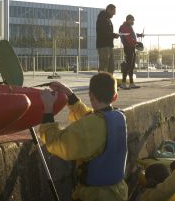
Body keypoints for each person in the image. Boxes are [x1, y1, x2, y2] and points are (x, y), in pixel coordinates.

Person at [39, 73, 128, 201]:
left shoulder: (93, 125)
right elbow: (91, 119)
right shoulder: (118, 117)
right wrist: (70, 95)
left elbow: (56, 143)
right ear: (115, 96)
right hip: (118, 192)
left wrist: (48, 109)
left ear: (90, 95)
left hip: (95, 195)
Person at [119, 14, 143, 90]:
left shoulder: (128, 27)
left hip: (132, 47)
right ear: (128, 20)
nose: (133, 22)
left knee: (131, 66)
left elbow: (132, 35)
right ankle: (123, 83)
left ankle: (131, 83)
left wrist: (138, 35)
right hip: (128, 47)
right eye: (132, 20)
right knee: (128, 65)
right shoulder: (124, 27)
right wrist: (136, 43)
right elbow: (128, 38)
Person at [96, 4, 119, 74]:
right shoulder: (102, 18)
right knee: (104, 66)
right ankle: (101, 83)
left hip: (109, 45)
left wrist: (113, 35)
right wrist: (114, 35)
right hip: (104, 46)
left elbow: (107, 32)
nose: (114, 14)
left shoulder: (107, 19)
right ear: (109, 10)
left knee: (111, 67)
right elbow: (103, 32)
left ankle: (109, 82)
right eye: (113, 12)